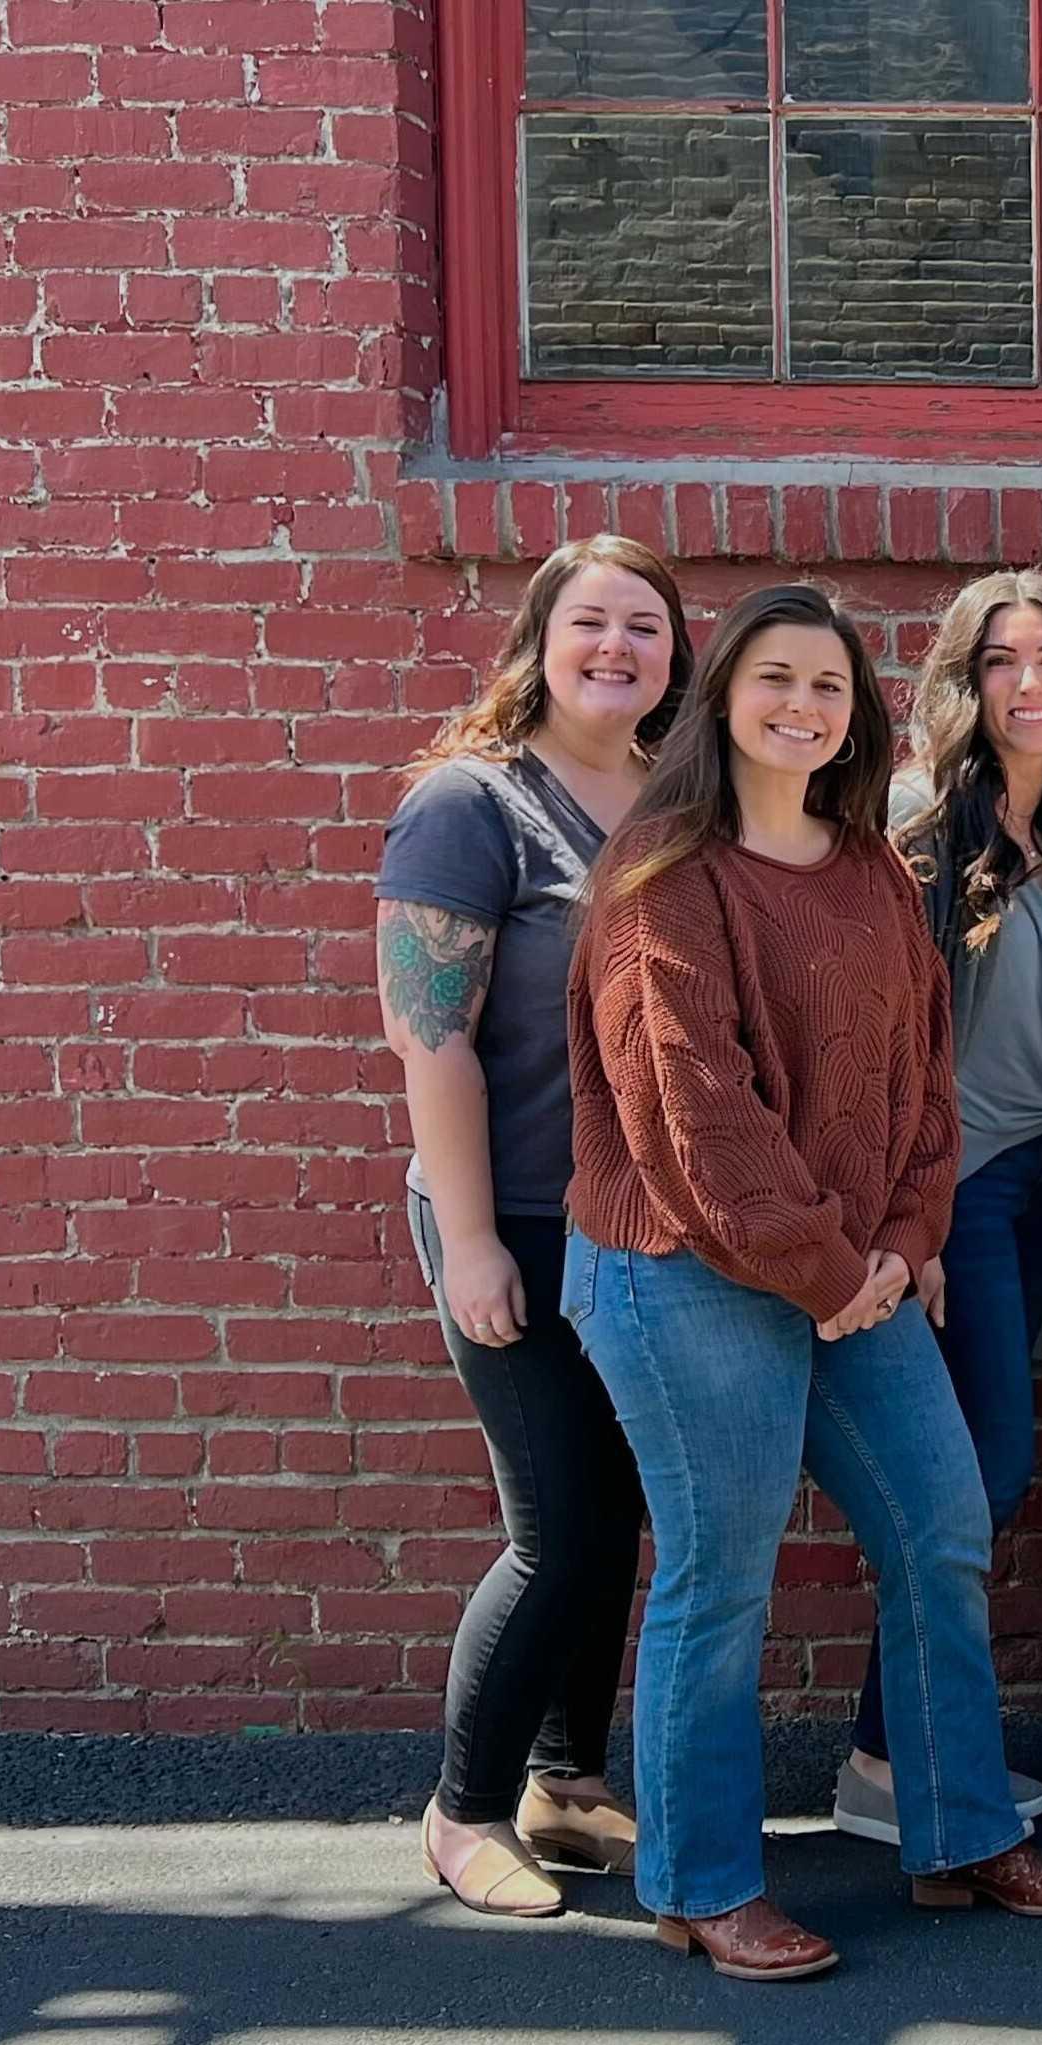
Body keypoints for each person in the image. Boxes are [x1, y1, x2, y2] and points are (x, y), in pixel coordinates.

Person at [566, 584, 1042, 1980]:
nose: (802, 707)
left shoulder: (867, 864)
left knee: (939, 1522)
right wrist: (830, 1272)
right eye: (774, 679)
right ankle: (698, 1883)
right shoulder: (661, 877)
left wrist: (910, 1244)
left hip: (857, 1271)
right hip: (682, 1269)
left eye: (828, 686)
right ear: (722, 697)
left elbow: (924, 1079)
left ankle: (959, 1833)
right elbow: (695, 1114)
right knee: (721, 1573)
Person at [377, 535, 686, 1917]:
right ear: (540, 641)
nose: (617, 648)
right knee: (556, 1526)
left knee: (616, 1512)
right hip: (503, 1211)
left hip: (631, 1224)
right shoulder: (471, 805)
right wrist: (473, 1240)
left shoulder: (672, 798)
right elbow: (427, 1039)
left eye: (645, 628)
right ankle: (462, 1810)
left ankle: (567, 1782)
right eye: (592, 623)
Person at [829, 569, 1042, 1853]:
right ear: (963, 680)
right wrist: (919, 1225)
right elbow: (878, 1049)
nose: (1030, 684)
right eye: (1001, 661)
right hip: (962, 1192)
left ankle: (884, 1755)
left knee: (973, 1475)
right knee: (976, 1474)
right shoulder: (916, 826)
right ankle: (890, 1763)